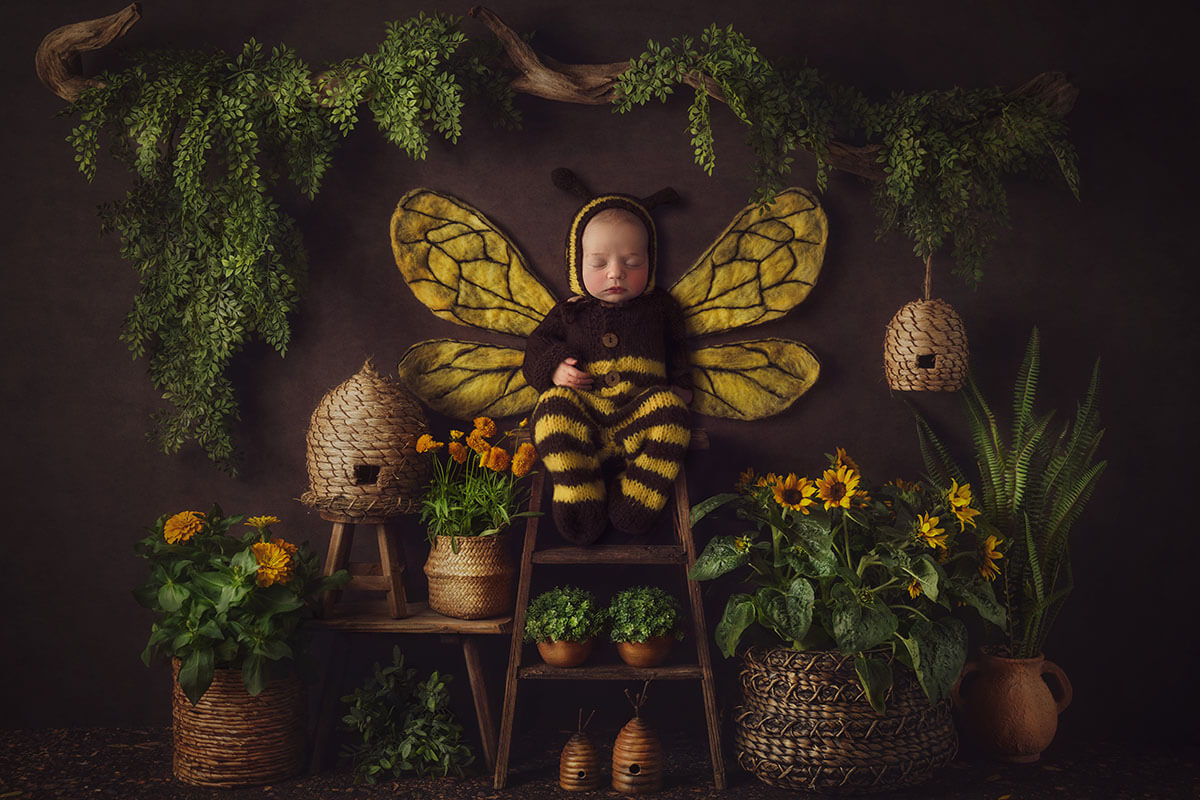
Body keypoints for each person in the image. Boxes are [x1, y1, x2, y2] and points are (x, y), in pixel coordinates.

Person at [522, 191, 692, 545]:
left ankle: (639, 493)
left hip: (639, 416)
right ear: (577, 264)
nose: (616, 273)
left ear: (651, 261)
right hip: (588, 418)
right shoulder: (570, 310)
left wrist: (681, 384)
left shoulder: (659, 308)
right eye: (599, 264)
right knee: (551, 408)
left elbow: (679, 348)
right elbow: (535, 348)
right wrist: (553, 369)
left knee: (673, 412)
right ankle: (578, 488)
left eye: (632, 261)